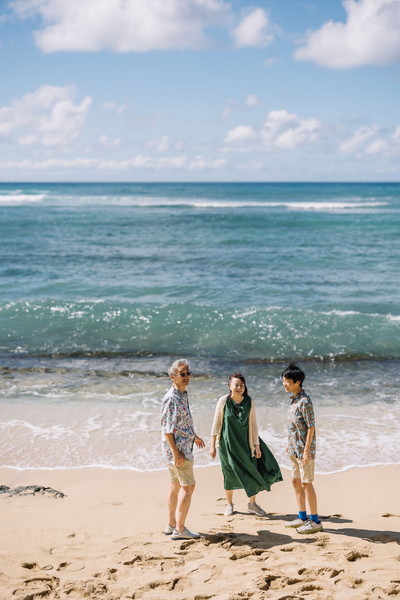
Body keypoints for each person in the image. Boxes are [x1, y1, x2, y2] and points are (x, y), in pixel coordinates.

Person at [210, 372, 282, 517]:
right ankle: (229, 504)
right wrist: (212, 446)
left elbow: (253, 425)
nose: (239, 388)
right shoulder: (223, 401)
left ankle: (252, 504)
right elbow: (216, 424)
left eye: (242, 385)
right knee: (229, 474)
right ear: (229, 386)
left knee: (251, 472)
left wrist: (256, 446)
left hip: (246, 445)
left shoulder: (249, 401)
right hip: (227, 445)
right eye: (236, 385)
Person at [161, 359, 205, 540]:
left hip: (180, 447)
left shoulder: (182, 394)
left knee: (176, 486)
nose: (187, 377)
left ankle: (171, 524)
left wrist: (194, 436)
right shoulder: (172, 398)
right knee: (188, 487)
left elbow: (181, 423)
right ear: (173, 377)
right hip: (179, 451)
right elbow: (167, 429)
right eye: (182, 374)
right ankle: (180, 529)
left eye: (188, 373)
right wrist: (176, 453)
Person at [282, 362, 323, 534]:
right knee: (295, 481)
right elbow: (293, 427)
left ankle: (315, 521)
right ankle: (302, 517)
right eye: (283, 380)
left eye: (286, 381)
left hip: (304, 451)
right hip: (294, 449)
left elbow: (311, 427)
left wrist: (306, 450)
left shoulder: (305, 401)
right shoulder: (293, 400)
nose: (284, 384)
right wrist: (289, 445)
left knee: (307, 484)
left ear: (297, 382)